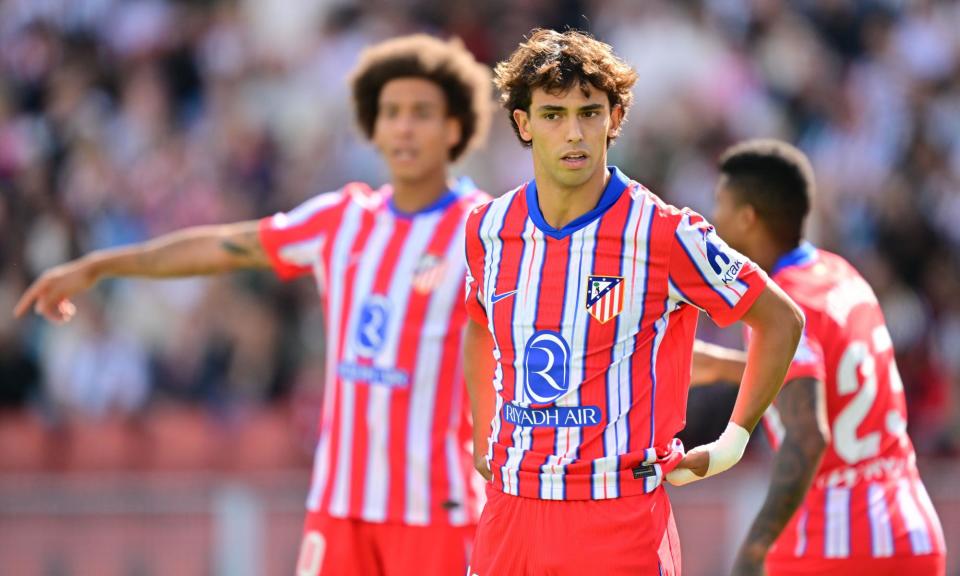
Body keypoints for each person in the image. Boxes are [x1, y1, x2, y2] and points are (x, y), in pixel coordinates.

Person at [15, 34, 493, 576]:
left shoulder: (483, 231)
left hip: (435, 510)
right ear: (373, 126)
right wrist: (101, 265)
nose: (404, 127)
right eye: (391, 112)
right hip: (339, 508)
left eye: (422, 113)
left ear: (455, 126)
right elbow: (223, 247)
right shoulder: (343, 219)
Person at [461, 29, 805, 576]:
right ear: (523, 124)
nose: (573, 132)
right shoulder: (488, 228)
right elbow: (478, 323)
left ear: (614, 120)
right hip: (510, 515)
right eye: (553, 114)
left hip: (618, 518)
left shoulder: (663, 232)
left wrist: (733, 441)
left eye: (589, 112)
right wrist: (483, 430)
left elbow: (781, 320)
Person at [692, 139, 946, 576]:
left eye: (720, 207)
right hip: (911, 527)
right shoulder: (841, 274)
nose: (712, 225)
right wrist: (719, 366)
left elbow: (809, 434)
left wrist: (755, 549)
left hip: (835, 542)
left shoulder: (778, 310)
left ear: (749, 219)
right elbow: (830, 379)